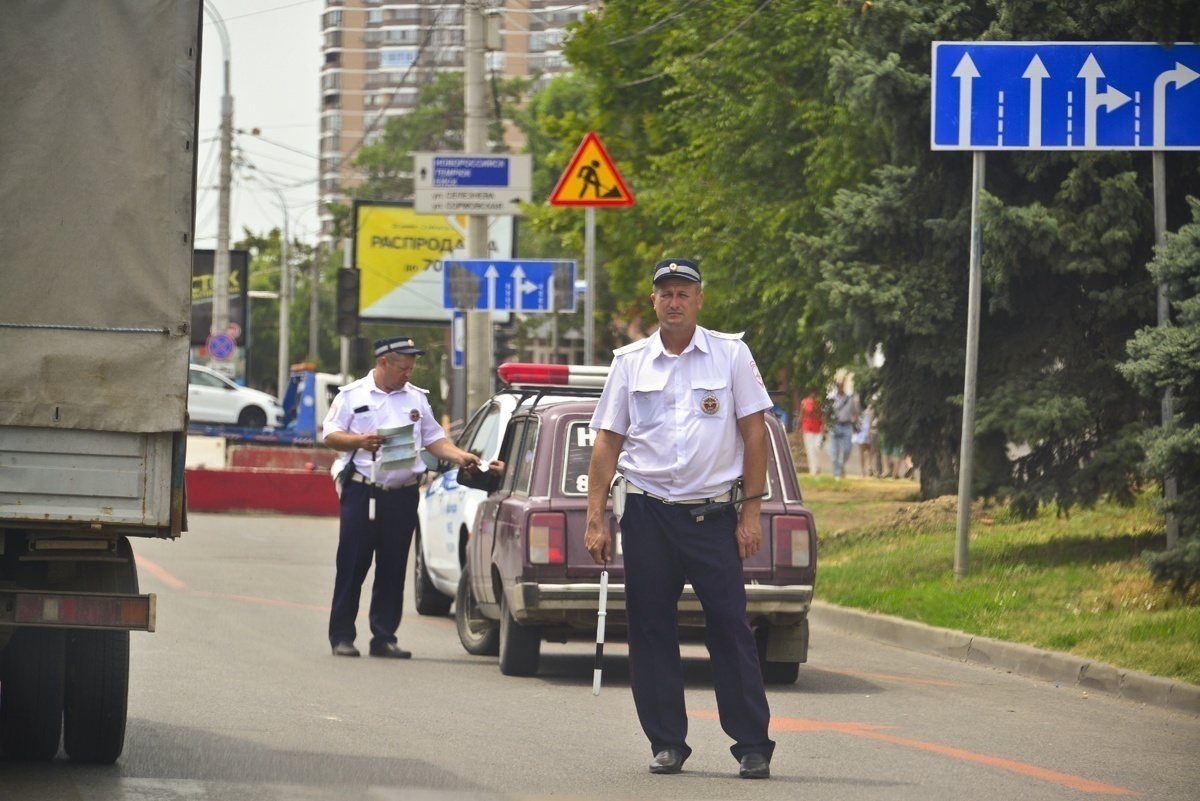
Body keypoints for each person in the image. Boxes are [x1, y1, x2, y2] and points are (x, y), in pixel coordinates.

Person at [585, 258, 775, 780]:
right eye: (665, 293)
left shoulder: (731, 355)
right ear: (653, 301)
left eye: (683, 293)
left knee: (731, 627)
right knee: (650, 629)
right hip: (647, 511)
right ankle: (667, 741)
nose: (674, 301)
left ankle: (752, 744)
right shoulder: (630, 361)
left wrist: (750, 512)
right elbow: (608, 439)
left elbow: (754, 435)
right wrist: (596, 517)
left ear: (699, 299)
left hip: (712, 515)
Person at [322, 336, 480, 659]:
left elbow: (434, 438)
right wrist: (358, 441)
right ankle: (341, 635)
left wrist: (461, 456)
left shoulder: (416, 400)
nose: (408, 374)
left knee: (393, 567)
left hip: (403, 494)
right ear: (384, 363)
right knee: (353, 563)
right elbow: (330, 434)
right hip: (363, 491)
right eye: (402, 368)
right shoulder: (353, 396)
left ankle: (384, 636)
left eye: (411, 368)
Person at [828, 377, 859, 479]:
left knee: (847, 449)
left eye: (841, 384)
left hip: (846, 425)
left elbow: (855, 412)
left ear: (844, 385)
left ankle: (841, 466)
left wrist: (855, 420)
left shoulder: (850, 398)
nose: (840, 386)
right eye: (838, 384)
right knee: (834, 452)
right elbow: (826, 412)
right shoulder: (831, 397)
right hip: (835, 425)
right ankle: (837, 474)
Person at [800, 391, 824, 476]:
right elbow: (801, 416)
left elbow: (823, 416)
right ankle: (813, 470)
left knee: (817, 448)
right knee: (810, 449)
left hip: (818, 428)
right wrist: (797, 430)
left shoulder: (820, 403)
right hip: (807, 428)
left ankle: (817, 466)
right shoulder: (804, 402)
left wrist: (824, 427)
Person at [854, 402, 876, 477]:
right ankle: (868, 466)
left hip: (862, 430)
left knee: (863, 451)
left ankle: (863, 470)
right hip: (865, 430)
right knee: (869, 450)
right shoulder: (870, 407)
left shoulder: (859, 406)